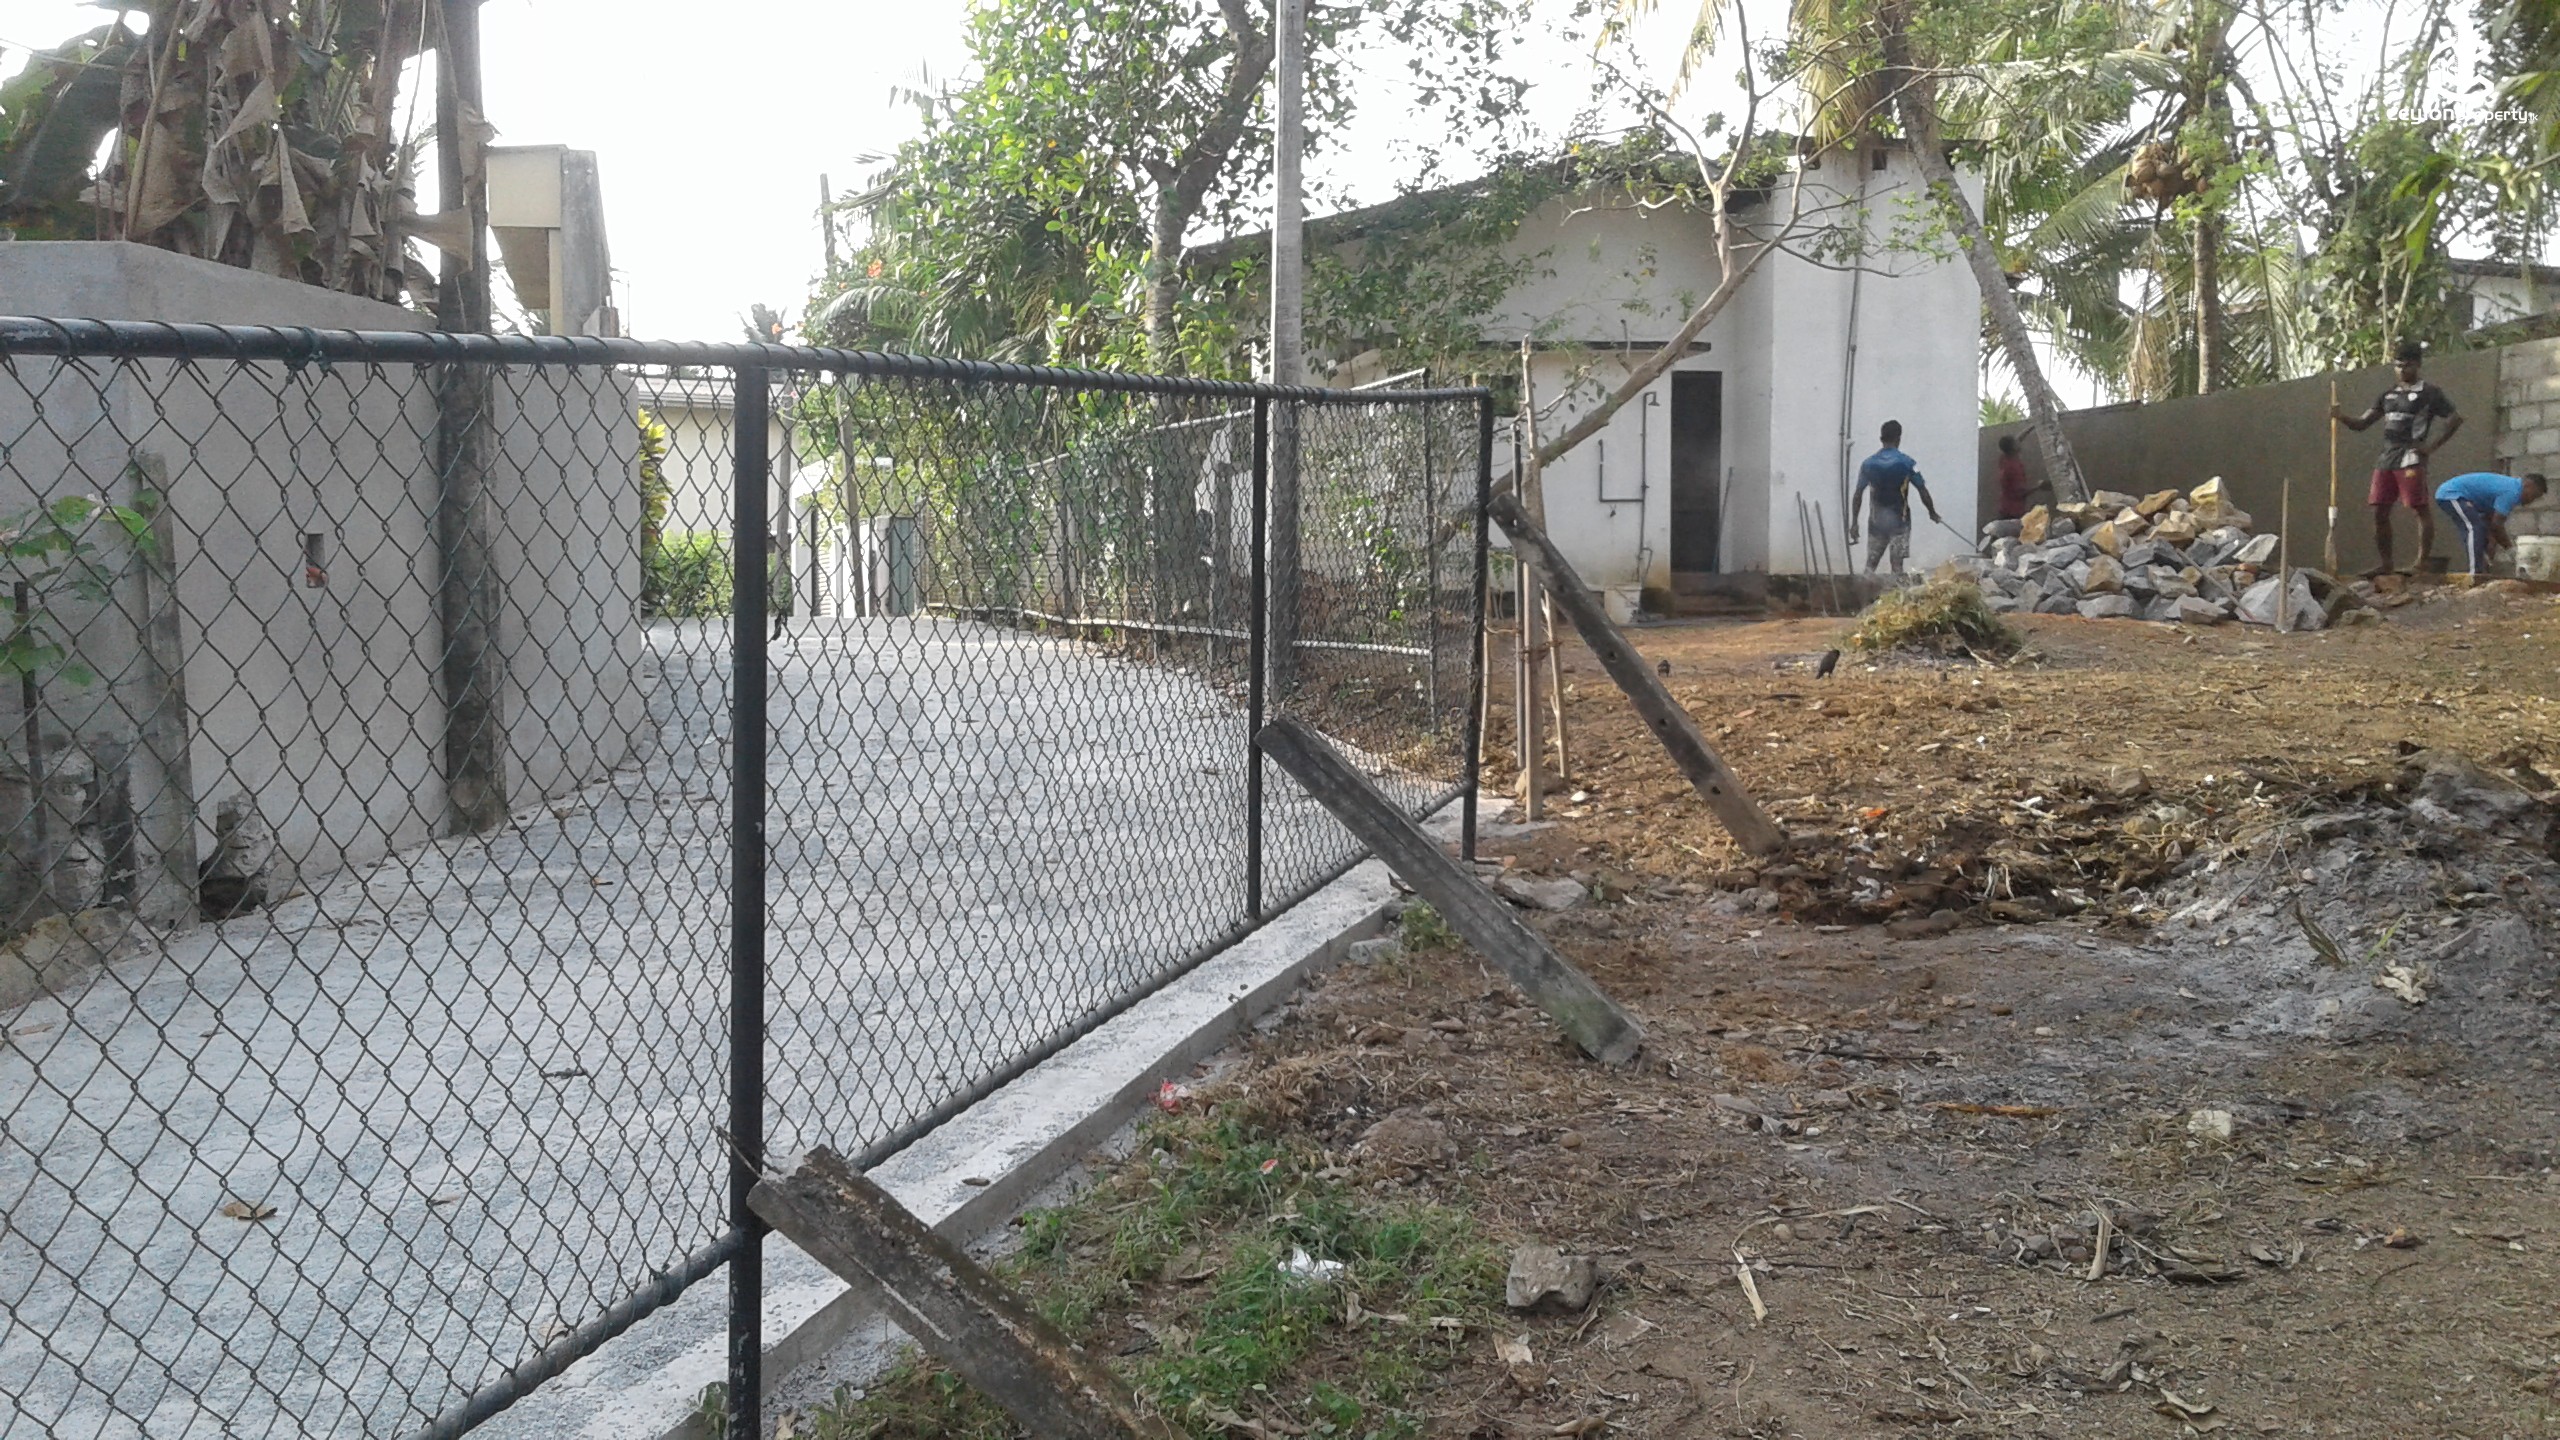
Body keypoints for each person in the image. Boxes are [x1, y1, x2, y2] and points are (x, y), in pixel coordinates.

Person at [2332, 339, 2464, 577]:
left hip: (2411, 458)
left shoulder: (2429, 393)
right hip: (2386, 459)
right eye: (2398, 365)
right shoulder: (2387, 395)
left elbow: (2455, 419)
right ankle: (2386, 564)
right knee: (2379, 511)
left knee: (2418, 508)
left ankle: (2421, 562)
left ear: (2418, 365)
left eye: (2407, 365)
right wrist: (2340, 417)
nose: (2402, 370)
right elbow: (2362, 424)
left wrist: (2431, 447)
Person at [1848, 419, 1940, 575]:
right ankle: (1895, 590)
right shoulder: (1907, 463)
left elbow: (1858, 494)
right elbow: (1922, 490)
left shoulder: (1868, 464)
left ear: (1881, 438)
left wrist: (1854, 523)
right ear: (1899, 438)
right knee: (1897, 566)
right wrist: (1932, 512)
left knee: (1870, 565)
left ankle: (1863, 589)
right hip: (1900, 523)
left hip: (1876, 522)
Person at [2434, 471, 2548, 580]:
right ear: (2528, 485)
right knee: (2474, 528)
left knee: (2482, 533)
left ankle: (2483, 570)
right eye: (2533, 496)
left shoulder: (2512, 489)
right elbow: (2496, 525)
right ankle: (2475, 573)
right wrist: (2510, 549)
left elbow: (2490, 520)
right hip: (2452, 494)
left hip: (2464, 499)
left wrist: (2491, 542)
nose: (2531, 501)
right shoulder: (2513, 492)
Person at [1994, 433, 2044, 521]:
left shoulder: (2004, 457)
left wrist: (2031, 427)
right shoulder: (2013, 469)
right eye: (2016, 442)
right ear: (2014, 448)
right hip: (2013, 512)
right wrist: (2039, 486)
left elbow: (2018, 439)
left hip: (2005, 507)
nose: (2019, 442)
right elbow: (2020, 493)